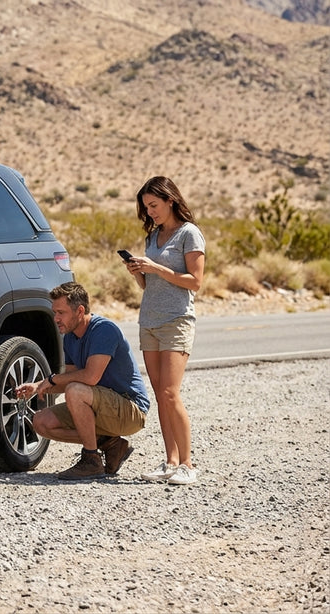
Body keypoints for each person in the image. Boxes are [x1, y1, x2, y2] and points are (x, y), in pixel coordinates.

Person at [15, 282, 150, 480]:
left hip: (130, 409)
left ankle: (91, 460)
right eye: (55, 312)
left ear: (79, 310)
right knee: (41, 422)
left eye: (61, 312)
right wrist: (37, 387)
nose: (56, 318)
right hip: (100, 406)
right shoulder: (69, 337)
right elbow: (70, 378)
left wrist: (52, 379)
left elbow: (89, 377)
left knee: (75, 391)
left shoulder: (104, 330)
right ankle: (110, 443)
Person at [125, 176, 206, 485]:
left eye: (154, 205)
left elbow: (195, 282)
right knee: (160, 394)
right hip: (150, 322)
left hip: (177, 320)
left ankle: (187, 464)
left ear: (170, 200)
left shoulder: (190, 234)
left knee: (171, 393)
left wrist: (156, 267)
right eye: (147, 207)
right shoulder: (153, 236)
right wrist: (138, 272)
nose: (151, 212)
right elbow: (149, 285)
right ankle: (170, 461)